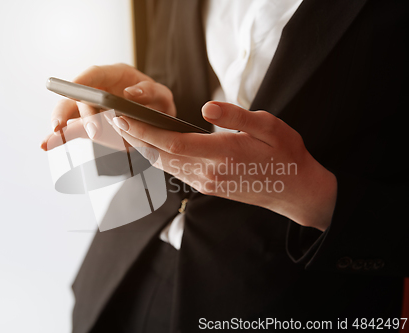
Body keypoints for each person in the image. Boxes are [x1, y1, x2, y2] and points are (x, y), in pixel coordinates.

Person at [41, 0, 409, 332]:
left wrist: (308, 193)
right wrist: (152, 115)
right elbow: (184, 77)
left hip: (288, 300)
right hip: (123, 270)